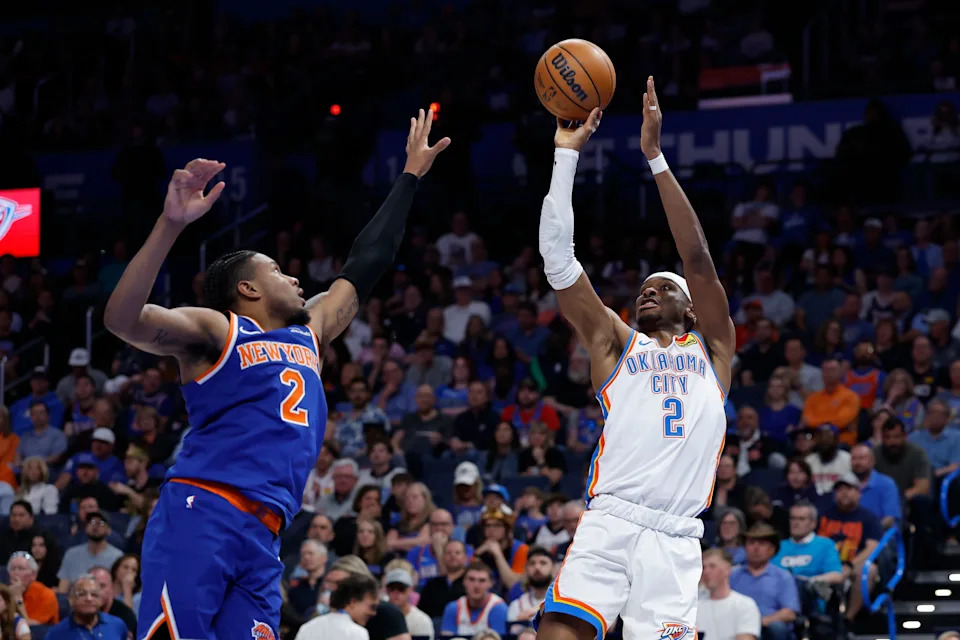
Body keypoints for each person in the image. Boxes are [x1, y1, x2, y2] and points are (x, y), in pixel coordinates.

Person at [104, 115, 446, 638]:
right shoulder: (219, 331)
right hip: (203, 510)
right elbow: (123, 320)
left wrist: (410, 177)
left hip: (265, 531)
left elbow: (367, 261)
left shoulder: (312, 332)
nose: (294, 277)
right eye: (278, 271)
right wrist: (169, 225)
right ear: (248, 289)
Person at [728, 525, 800, 640]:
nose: (756, 548)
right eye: (751, 543)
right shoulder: (732, 575)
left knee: (777, 628)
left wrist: (759, 622)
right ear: (745, 548)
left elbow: (789, 613)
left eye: (762, 544)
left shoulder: (783, 577)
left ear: (772, 549)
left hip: (767, 628)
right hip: (735, 627)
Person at [772, 501, 844, 613]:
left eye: (801, 519)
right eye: (793, 518)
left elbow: (837, 575)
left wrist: (810, 581)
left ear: (813, 523)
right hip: (777, 599)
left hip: (809, 602)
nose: (796, 523)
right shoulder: (779, 546)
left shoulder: (825, 545)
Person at [696, 549, 761, 640]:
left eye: (712, 566)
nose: (706, 571)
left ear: (727, 569)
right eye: (704, 567)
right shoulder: (695, 606)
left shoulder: (745, 604)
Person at [294, 574, 380, 640]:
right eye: (372, 607)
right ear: (353, 602)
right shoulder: (357, 633)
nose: (374, 613)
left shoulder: (308, 627)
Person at [57, 512, 124, 592]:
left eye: (101, 523)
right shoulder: (71, 554)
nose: (95, 526)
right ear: (86, 528)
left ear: (108, 530)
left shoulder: (118, 557)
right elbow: (63, 589)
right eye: (92, 522)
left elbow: (118, 591)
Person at [45, 574, 127, 640]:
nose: (89, 599)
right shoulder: (56, 633)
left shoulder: (117, 625)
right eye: (82, 594)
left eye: (94, 594)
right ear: (71, 600)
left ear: (101, 600)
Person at [440, 561, 508, 636]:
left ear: (491, 583)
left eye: (482, 580)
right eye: (471, 579)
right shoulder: (453, 608)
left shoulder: (498, 608)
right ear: (464, 581)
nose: (476, 585)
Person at [506, 547, 554, 634]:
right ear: (526, 569)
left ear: (553, 568)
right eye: (532, 563)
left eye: (543, 563)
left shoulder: (562, 602)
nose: (537, 567)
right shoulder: (517, 605)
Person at [419, 540, 470, 618]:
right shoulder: (432, 584)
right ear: (443, 558)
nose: (453, 555)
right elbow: (422, 613)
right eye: (448, 553)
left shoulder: (472, 582)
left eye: (457, 553)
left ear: (465, 558)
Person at [7, 551, 58, 625]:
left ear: (33, 575)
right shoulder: (3, 593)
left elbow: (32, 628)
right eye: (12, 569)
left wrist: (18, 598)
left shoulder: (46, 595)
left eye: (21, 569)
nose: (16, 573)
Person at [383, 567, 434, 640]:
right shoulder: (378, 615)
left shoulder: (421, 620)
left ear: (410, 590)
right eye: (392, 588)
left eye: (401, 588)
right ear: (387, 590)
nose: (396, 592)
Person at [89, 566, 137, 635]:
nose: (97, 592)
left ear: (111, 587)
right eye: (92, 587)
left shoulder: (125, 615)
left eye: (102, 586)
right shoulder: (80, 613)